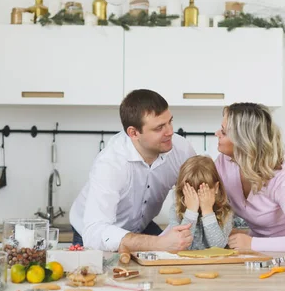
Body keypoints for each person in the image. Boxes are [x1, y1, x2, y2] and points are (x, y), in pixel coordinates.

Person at [69, 89, 196, 252]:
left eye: (170, 122)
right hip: (94, 233)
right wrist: (161, 243)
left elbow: (199, 191)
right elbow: (95, 232)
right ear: (133, 133)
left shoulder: (181, 150)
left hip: (140, 227)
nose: (170, 131)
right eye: (159, 128)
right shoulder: (110, 163)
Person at [214, 103, 285, 252]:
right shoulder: (224, 163)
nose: (216, 133)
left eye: (224, 132)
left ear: (243, 141)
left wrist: (251, 244)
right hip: (254, 252)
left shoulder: (281, 178)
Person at [167, 155, 233, 249]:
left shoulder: (225, 211)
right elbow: (181, 245)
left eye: (203, 191)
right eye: (191, 192)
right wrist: (191, 211)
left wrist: (207, 211)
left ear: (216, 188)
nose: (197, 198)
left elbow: (218, 246)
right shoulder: (176, 210)